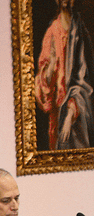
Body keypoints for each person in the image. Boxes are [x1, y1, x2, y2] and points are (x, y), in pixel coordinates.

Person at [34, 0, 94, 150]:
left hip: (78, 111)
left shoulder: (80, 31)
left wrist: (70, 114)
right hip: (57, 115)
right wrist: (52, 65)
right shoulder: (52, 32)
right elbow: (43, 87)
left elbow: (85, 81)